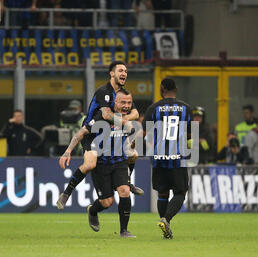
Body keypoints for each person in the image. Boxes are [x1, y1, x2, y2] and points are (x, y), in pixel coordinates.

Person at [56, 61, 141, 209]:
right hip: (92, 134)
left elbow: (136, 113)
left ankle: (127, 182)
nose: (124, 74)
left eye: (126, 71)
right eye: (120, 71)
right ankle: (66, 193)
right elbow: (106, 114)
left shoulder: (122, 95)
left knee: (133, 155)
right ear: (112, 73)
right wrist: (67, 151)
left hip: (110, 134)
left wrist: (126, 119)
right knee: (90, 164)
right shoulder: (104, 91)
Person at [60, 89, 138, 237]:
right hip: (101, 164)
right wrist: (68, 151)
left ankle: (124, 230)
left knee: (124, 191)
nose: (126, 106)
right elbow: (81, 133)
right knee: (107, 202)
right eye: (123, 102)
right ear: (115, 102)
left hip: (119, 162)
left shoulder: (127, 121)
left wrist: (132, 145)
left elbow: (127, 142)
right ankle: (93, 210)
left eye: (129, 103)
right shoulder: (101, 118)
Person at [143, 78, 192, 239]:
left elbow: (145, 132)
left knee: (162, 193)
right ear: (176, 89)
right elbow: (191, 134)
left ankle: (165, 227)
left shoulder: (153, 108)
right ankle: (166, 219)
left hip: (158, 157)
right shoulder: (186, 108)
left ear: (161, 89)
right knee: (180, 192)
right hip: (178, 157)